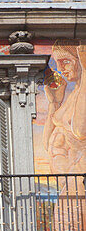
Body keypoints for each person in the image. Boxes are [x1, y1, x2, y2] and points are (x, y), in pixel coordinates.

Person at [43, 45, 86, 173]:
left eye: (65, 62)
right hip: (66, 178)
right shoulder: (73, 94)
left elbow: (81, 130)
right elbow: (47, 145)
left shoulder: (83, 94)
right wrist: (54, 102)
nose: (60, 69)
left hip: (78, 172)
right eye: (57, 63)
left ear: (80, 60)